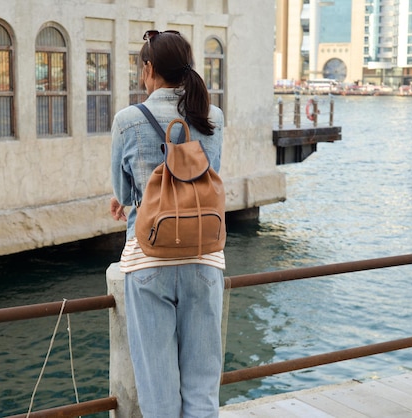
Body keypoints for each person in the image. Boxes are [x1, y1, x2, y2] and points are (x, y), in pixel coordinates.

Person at [109, 30, 225, 418]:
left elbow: (125, 196)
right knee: (203, 387)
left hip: (149, 259)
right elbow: (208, 177)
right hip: (204, 255)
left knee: (158, 393)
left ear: (149, 69)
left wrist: (134, 191)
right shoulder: (212, 117)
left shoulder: (128, 120)